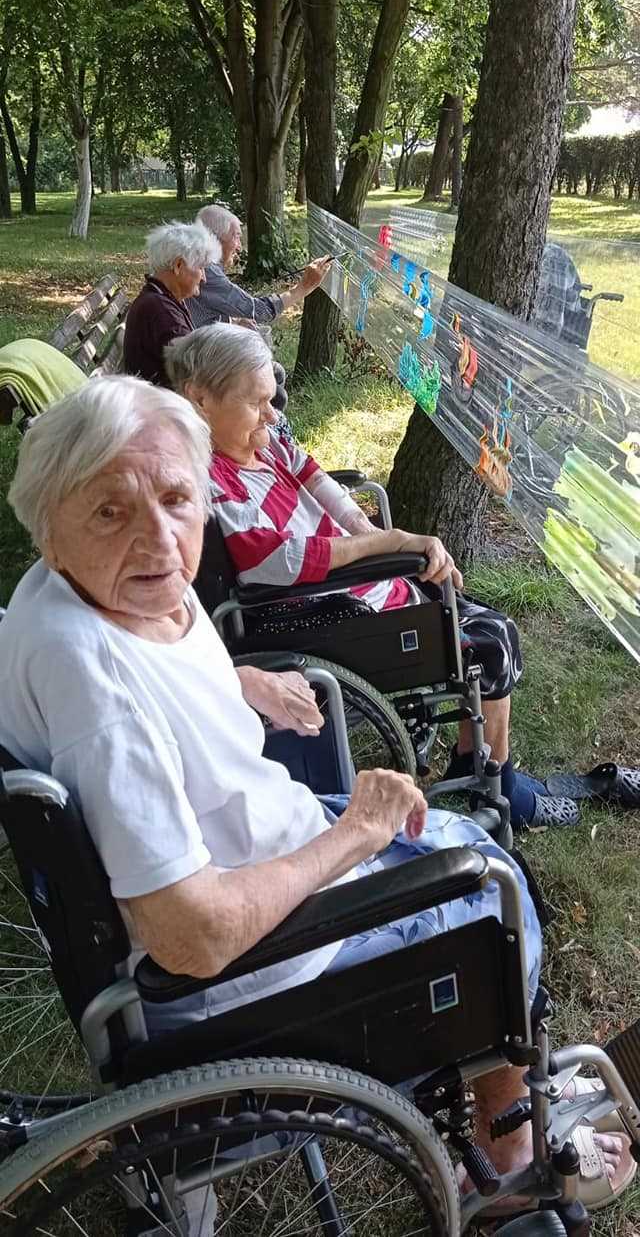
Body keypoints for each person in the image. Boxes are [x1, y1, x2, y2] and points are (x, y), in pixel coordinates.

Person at [0, 375, 631, 1221]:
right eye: (111, 511)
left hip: (258, 859)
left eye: (177, 498)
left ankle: (512, 1093)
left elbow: (147, 668)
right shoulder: (99, 693)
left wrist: (239, 677)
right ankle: (509, 1151)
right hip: (255, 969)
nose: (157, 537)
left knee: (460, 838)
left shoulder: (61, 595)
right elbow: (192, 935)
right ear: (49, 525)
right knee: (493, 887)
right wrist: (354, 835)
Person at [164, 324, 584, 833]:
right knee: (491, 639)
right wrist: (388, 546)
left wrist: (376, 534)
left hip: (353, 586)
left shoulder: (261, 443)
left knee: (472, 613)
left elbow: (316, 479)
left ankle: (478, 764)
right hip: (322, 615)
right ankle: (497, 784)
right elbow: (273, 560)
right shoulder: (209, 476)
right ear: (200, 398)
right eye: (257, 403)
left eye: (271, 399)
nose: (272, 415)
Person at [185, 203, 332, 331]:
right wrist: (303, 287)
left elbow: (205, 312)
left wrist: (233, 321)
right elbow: (259, 311)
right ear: (214, 238)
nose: (240, 247)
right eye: (236, 237)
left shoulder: (194, 259)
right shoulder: (207, 270)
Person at [123, 221, 218, 387]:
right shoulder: (160, 311)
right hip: (161, 400)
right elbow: (197, 371)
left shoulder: (159, 299)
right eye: (201, 267)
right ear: (178, 266)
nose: (204, 278)